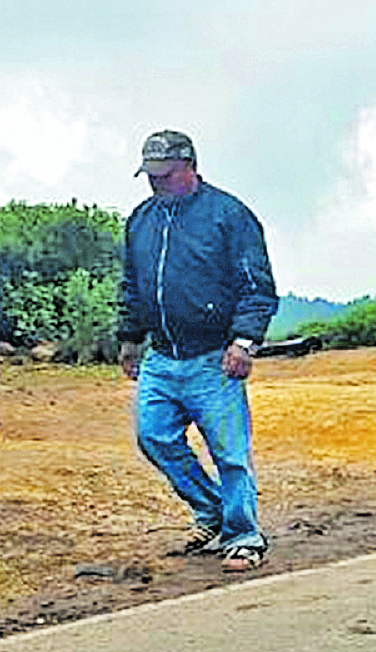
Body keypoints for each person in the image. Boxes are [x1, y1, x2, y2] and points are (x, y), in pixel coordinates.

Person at [116, 130, 279, 574]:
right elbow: (132, 285)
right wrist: (129, 338)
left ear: (189, 166)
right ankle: (212, 513)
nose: (155, 184)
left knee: (230, 453)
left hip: (214, 358)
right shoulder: (141, 220)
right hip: (162, 357)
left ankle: (244, 536)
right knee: (154, 437)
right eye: (149, 175)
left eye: (164, 175)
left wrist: (244, 342)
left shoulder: (229, 215)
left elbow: (257, 287)